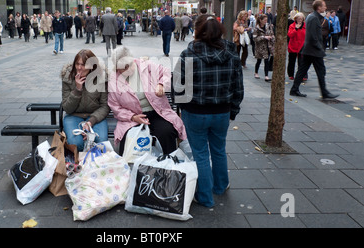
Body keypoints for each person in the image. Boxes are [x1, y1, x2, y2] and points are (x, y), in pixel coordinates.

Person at [174, 14, 244, 208]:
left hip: (195, 112)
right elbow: (238, 87)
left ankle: (205, 196)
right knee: (219, 149)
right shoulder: (231, 54)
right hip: (221, 111)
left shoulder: (188, 54)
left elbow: (178, 86)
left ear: (198, 31)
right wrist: (233, 110)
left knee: (201, 154)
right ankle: (220, 186)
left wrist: (182, 109)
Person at [108, 46, 187, 156]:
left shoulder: (146, 66)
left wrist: (161, 84)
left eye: (129, 65)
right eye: (123, 68)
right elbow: (115, 107)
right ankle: (133, 169)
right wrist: (132, 117)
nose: (128, 69)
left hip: (157, 112)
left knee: (166, 132)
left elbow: (165, 73)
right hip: (133, 117)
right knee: (128, 137)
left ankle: (169, 165)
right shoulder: (114, 80)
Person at [290, 0, 339, 99]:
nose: (325, 8)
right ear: (319, 7)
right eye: (324, 6)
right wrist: (319, 48)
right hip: (313, 50)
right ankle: (324, 92)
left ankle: (294, 89)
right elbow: (313, 36)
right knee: (320, 71)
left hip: (310, 50)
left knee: (303, 70)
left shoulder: (313, 17)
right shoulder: (313, 18)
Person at [61, 49, 109, 151]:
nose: (79, 68)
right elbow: (67, 108)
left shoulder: (100, 78)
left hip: (95, 116)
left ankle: (97, 165)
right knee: (76, 143)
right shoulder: (68, 78)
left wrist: (90, 122)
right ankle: (79, 165)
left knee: (101, 142)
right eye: (77, 64)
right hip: (73, 115)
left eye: (83, 65)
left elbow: (104, 106)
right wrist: (77, 89)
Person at [253, 14, 275, 82]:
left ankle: (266, 76)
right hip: (260, 47)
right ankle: (256, 72)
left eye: (266, 20)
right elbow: (254, 38)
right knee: (259, 60)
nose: (266, 21)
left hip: (268, 46)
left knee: (266, 60)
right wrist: (263, 37)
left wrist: (272, 38)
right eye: (264, 20)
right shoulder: (256, 28)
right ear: (260, 20)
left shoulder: (268, 26)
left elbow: (272, 33)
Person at [287, 13, 306, 80]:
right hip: (293, 46)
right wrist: (296, 29)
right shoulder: (292, 26)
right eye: (298, 18)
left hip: (302, 47)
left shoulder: (305, 26)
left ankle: (302, 75)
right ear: (296, 19)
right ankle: (291, 74)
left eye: (301, 18)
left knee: (302, 62)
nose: (300, 20)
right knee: (292, 61)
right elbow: (290, 35)